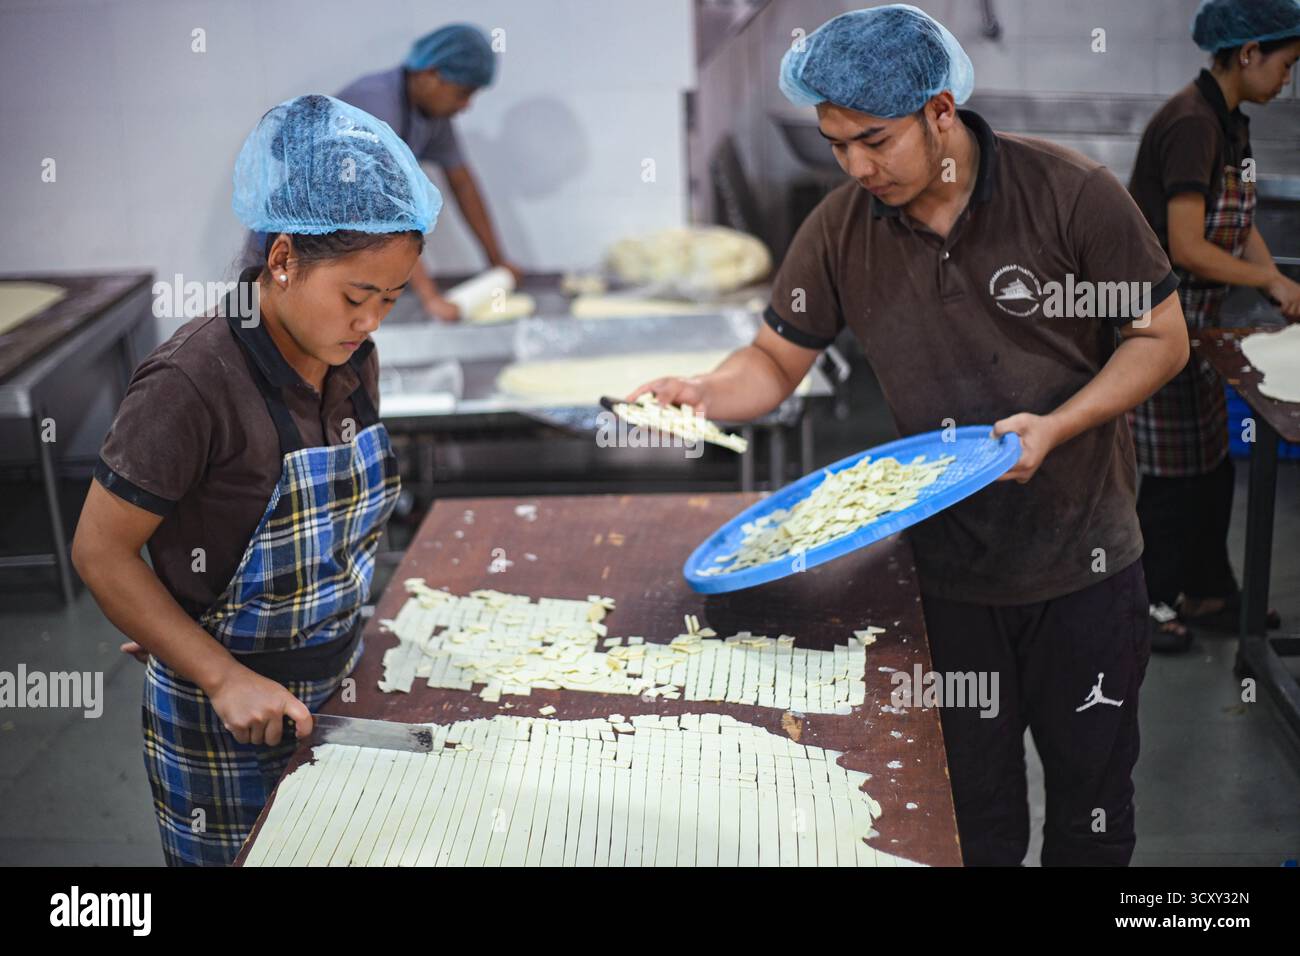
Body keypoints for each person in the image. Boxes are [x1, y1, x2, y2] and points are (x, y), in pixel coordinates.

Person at [631, 5, 1190, 866]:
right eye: (835, 144)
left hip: (1083, 564)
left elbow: (1161, 338)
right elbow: (775, 362)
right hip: (944, 578)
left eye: (875, 140)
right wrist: (703, 392)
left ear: (939, 112)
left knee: (1091, 810)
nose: (856, 166)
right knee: (971, 814)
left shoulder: (1068, 194)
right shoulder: (843, 228)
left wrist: (1057, 424)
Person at [72, 94, 441, 865]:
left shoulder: (350, 359)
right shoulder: (192, 382)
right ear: (281, 260)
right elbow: (100, 555)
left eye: (390, 300)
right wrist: (218, 673)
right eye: (355, 296)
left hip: (339, 686)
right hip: (226, 719)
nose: (371, 321)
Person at [1127, 0, 1300, 652]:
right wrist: (1265, 282)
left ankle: (1207, 590)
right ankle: (1141, 603)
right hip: (1155, 320)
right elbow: (1185, 246)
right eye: (1286, 64)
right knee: (1174, 478)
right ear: (1249, 53)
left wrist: (1275, 278)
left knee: (1210, 466)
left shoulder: (1230, 122)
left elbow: (1239, 216)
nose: (1288, 79)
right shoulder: (1192, 124)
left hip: (1198, 322)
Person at [241, 23, 518, 321]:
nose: (466, 106)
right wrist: (430, 298)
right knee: (265, 333)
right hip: (292, 249)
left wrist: (498, 262)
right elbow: (386, 213)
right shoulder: (376, 105)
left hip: (337, 258)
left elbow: (463, 185)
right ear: (432, 75)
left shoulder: (431, 116)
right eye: (463, 93)